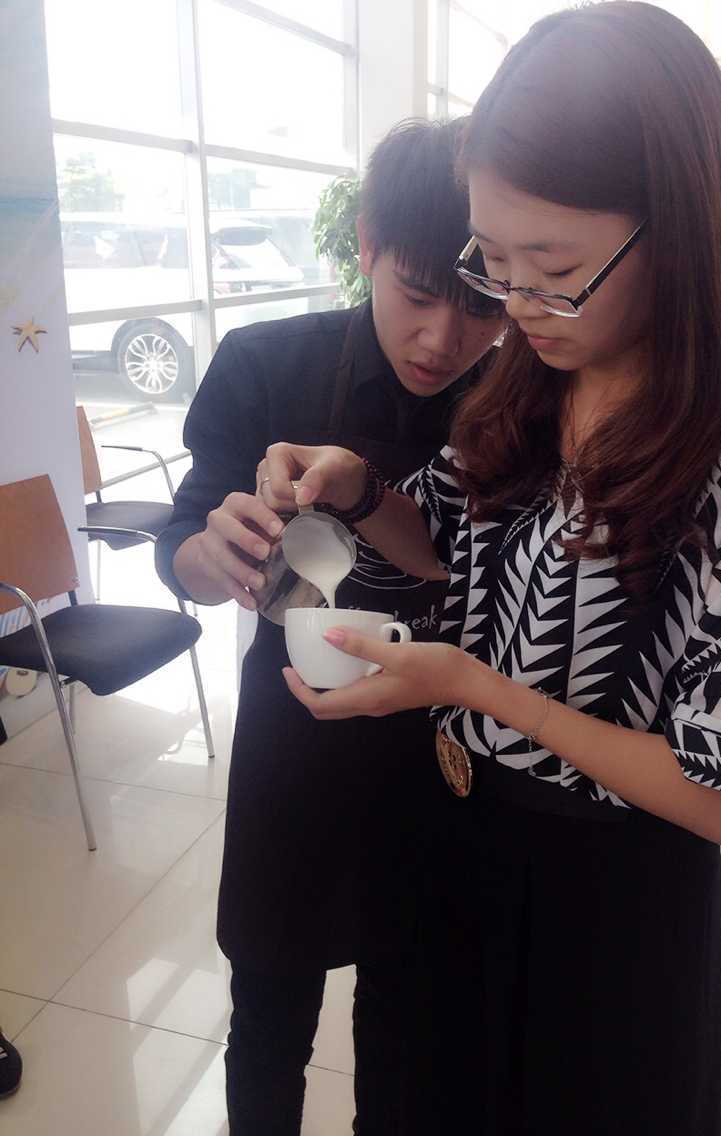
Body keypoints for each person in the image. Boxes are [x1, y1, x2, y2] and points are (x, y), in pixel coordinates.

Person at [258, 5, 721, 1134]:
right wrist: (358, 487)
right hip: (447, 850)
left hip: (607, 911)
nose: (518, 303)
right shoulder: (529, 381)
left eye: (556, 268)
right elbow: (445, 546)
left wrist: (479, 690)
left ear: (676, 228)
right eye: (495, 260)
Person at [155, 119, 504, 1135]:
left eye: (481, 306)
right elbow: (181, 539)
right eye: (417, 293)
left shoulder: (520, 402)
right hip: (296, 745)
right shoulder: (268, 364)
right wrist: (210, 551)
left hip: (446, 758)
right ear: (365, 246)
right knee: (269, 1019)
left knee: (409, 1032)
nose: (441, 340)